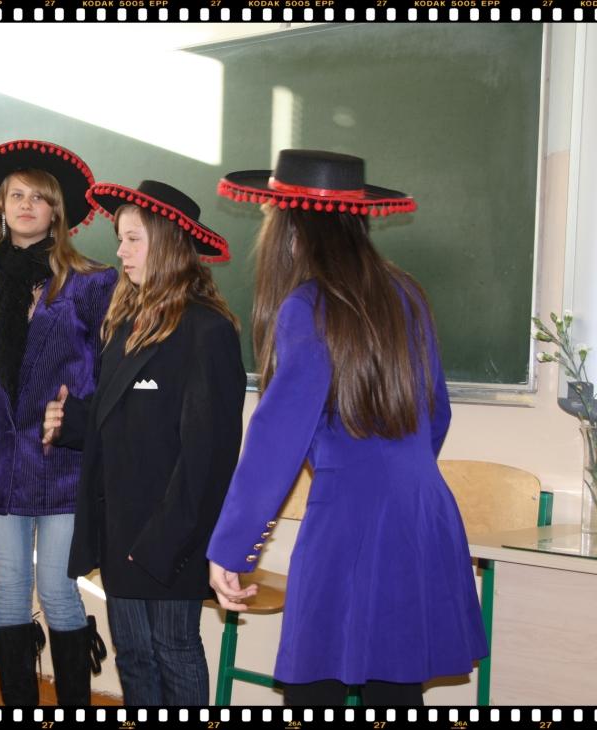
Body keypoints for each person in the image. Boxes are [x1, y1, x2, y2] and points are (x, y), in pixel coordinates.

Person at [206, 149, 488, 706]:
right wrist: (397, 474)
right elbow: (437, 414)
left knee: (316, 687)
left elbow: (276, 440)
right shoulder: (407, 293)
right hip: (422, 508)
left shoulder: (306, 306)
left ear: (292, 228)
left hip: (349, 515)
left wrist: (231, 547)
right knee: (395, 683)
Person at [43, 180, 246, 706]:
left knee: (173, 648)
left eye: (133, 239)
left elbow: (209, 454)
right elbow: (118, 415)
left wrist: (166, 537)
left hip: (171, 529)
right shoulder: (125, 322)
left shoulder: (207, 331)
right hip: (121, 523)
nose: (120, 251)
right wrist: (70, 420)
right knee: (133, 653)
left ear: (170, 244)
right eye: (120, 239)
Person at [0, 140, 114, 706]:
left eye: (38, 197)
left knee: (56, 586)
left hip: (63, 457)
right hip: (2, 457)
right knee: (8, 590)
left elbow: (107, 370)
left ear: (56, 212)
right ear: (0, 207)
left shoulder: (93, 281)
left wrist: (76, 412)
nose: (26, 205)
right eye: (16, 195)